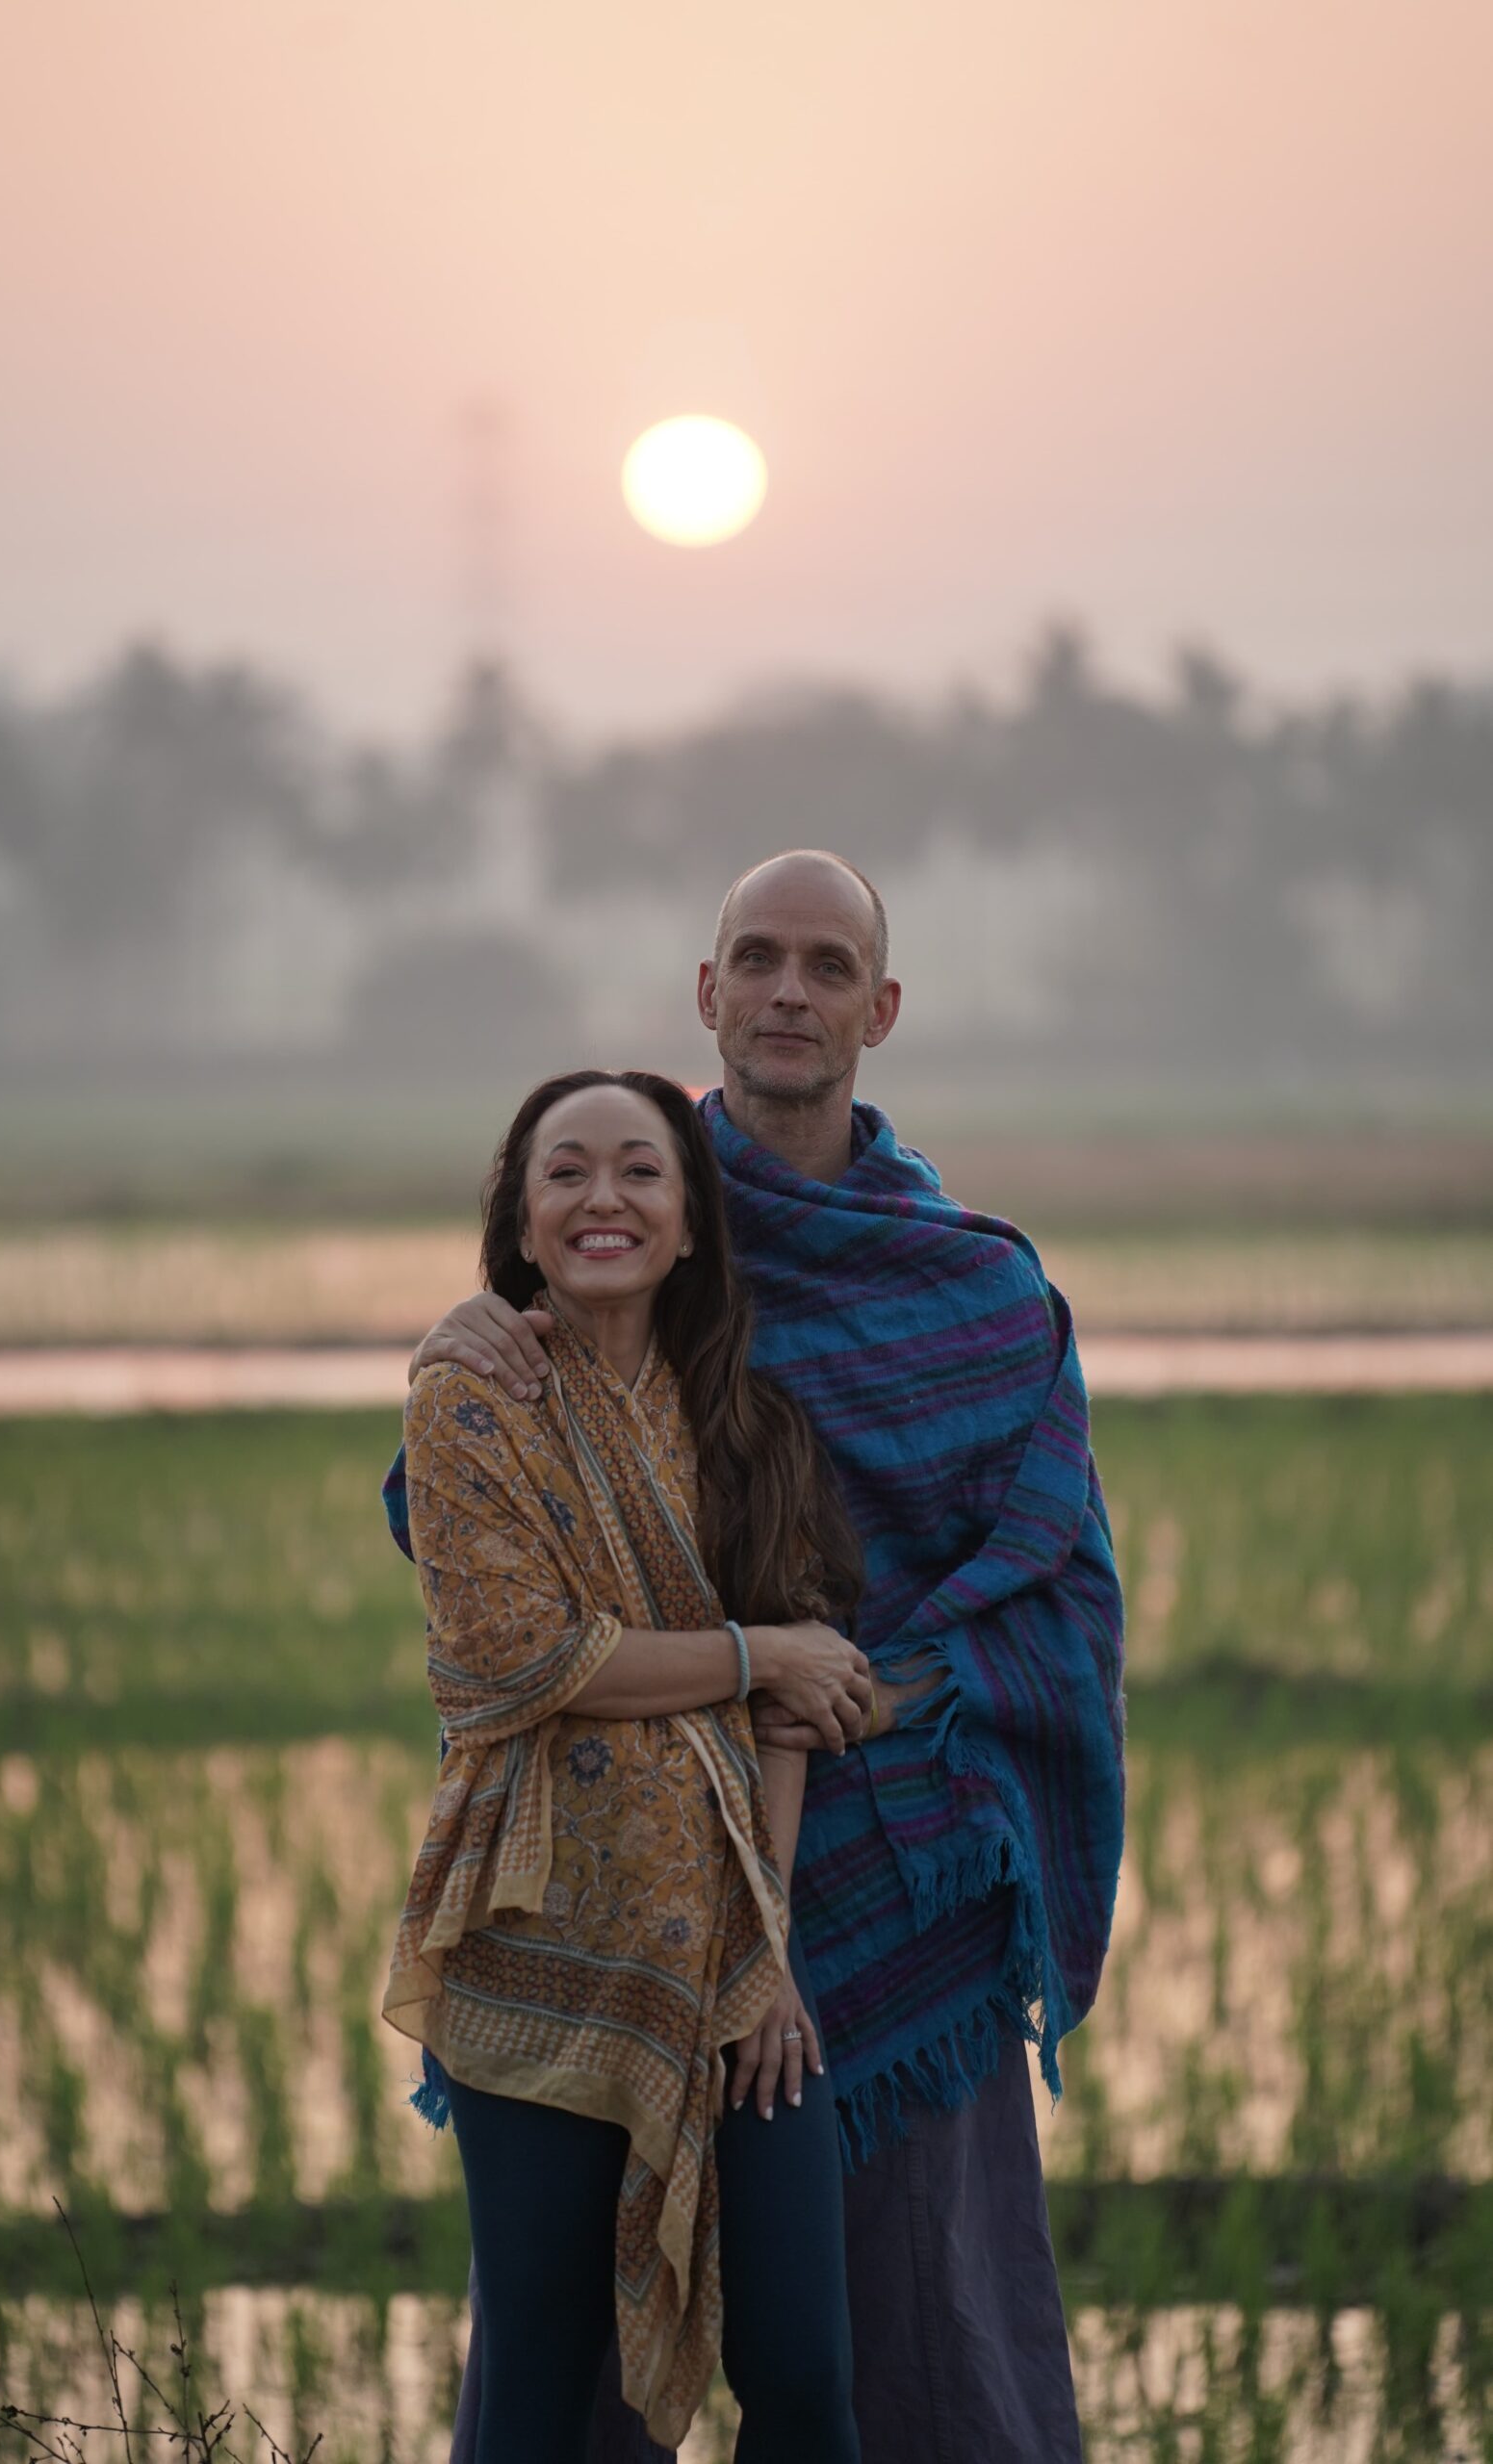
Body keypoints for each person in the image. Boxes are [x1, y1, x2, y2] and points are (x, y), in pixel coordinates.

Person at [389, 850, 1128, 2464]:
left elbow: (1050, 1581)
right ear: (706, 993)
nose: (792, 992)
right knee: (562, 2361)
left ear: (882, 1005)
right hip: (604, 1878)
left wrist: (860, 1698)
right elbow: (478, 1554)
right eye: (759, 959)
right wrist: (469, 1333)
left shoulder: (980, 1293)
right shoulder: (624, 1234)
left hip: (890, 1858)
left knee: (897, 2343)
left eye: (828, 963)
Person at [381, 1065, 872, 2463]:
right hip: (537, 1951)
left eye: (642, 1171)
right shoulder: (470, 1401)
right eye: (568, 1173)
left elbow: (797, 1713)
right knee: (536, 2366)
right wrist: (757, 1651)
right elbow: (520, 1663)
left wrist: (768, 1949)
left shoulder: (748, 1428)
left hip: (731, 1965)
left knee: (804, 2377)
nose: (606, 1197)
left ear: (693, 1222)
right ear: (524, 1225)